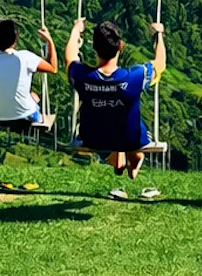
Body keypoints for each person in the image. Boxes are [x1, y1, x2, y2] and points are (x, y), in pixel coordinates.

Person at [65, 17, 166, 199]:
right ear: (121, 46)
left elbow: (70, 57)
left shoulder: (83, 76)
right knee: (134, 139)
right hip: (130, 138)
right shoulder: (134, 77)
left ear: (94, 48)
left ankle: (115, 158)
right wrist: (158, 35)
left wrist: (75, 31)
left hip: (94, 138)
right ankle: (132, 160)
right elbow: (160, 63)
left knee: (104, 133)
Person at [0, 18, 57, 127]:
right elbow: (53, 68)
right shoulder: (25, 57)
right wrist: (49, 40)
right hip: (27, 116)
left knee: (31, 96)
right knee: (34, 96)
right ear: (15, 38)